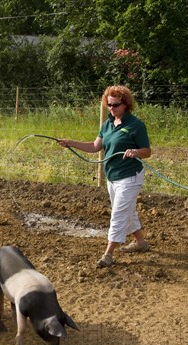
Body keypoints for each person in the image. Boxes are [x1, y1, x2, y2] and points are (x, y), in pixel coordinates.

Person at [58, 85, 152, 268]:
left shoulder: (136, 126)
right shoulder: (107, 124)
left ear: (125, 104)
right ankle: (140, 242)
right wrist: (71, 143)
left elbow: (147, 151)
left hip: (130, 177)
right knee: (127, 210)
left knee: (118, 214)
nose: (111, 108)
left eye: (115, 105)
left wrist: (136, 151)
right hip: (112, 176)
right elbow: (95, 146)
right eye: (109, 105)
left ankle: (108, 254)